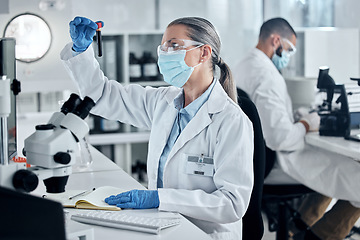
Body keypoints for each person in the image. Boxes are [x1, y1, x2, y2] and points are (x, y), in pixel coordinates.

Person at [61, 16, 254, 239]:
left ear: (204, 53)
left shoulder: (230, 120)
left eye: (173, 45)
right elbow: (103, 96)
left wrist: (159, 198)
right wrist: (81, 51)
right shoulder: (163, 101)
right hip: (161, 227)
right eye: (163, 47)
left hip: (205, 235)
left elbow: (232, 204)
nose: (164, 53)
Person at [234, 17, 360, 240]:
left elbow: (263, 118)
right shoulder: (266, 75)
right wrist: (306, 123)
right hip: (275, 163)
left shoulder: (245, 64)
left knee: (333, 171)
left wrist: (295, 118)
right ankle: (317, 237)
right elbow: (280, 138)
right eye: (289, 48)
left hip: (254, 158)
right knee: (351, 173)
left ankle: (296, 228)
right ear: (276, 40)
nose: (289, 55)